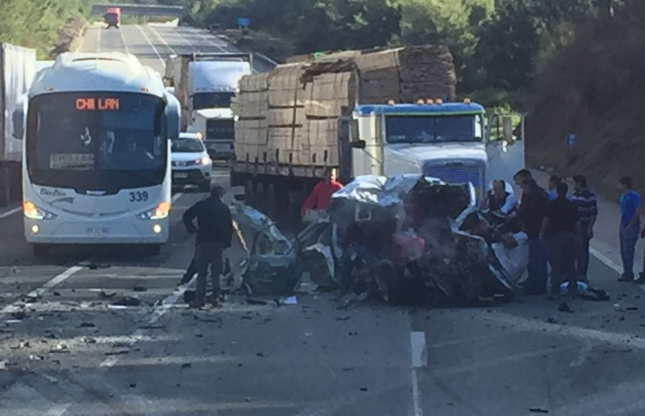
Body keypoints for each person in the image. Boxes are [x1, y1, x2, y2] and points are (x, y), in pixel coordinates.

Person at [182, 185, 233, 308]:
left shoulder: (201, 206)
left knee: (201, 274)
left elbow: (186, 216)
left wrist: (192, 229)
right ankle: (215, 298)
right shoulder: (224, 209)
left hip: (202, 243)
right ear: (221, 195)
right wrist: (227, 244)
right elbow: (228, 228)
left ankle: (199, 300)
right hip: (218, 245)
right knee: (216, 274)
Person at [179, 220, 249, 285]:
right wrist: (243, 245)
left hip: (211, 245)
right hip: (216, 246)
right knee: (217, 262)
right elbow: (237, 232)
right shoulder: (225, 221)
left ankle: (187, 279)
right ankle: (221, 279)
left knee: (201, 262)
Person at [541, 182, 580, 297]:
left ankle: (555, 288)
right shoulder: (572, 205)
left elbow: (546, 220)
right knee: (570, 263)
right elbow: (577, 223)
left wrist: (542, 233)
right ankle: (572, 287)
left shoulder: (551, 205)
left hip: (555, 236)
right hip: (569, 235)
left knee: (556, 263)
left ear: (557, 191)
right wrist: (577, 236)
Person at [517, 177, 549, 294]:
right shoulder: (539, 194)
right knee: (534, 258)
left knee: (536, 258)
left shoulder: (535, 197)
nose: (522, 190)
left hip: (536, 231)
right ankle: (534, 282)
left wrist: (517, 216)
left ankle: (538, 285)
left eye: (522, 186)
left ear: (527, 186)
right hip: (534, 231)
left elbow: (527, 212)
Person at [571, 175, 598, 282]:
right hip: (574, 226)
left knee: (583, 250)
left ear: (579, 183)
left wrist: (590, 228)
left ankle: (583, 273)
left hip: (583, 225)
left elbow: (593, 213)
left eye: (574, 182)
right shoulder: (574, 195)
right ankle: (577, 272)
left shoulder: (589, 196)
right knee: (575, 250)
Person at [618, 177, 641, 282]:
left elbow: (637, 211)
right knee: (623, 250)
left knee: (628, 250)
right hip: (623, 224)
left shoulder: (634, 196)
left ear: (625, 185)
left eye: (621, 184)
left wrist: (631, 224)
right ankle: (626, 271)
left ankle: (629, 272)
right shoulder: (623, 196)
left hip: (631, 226)